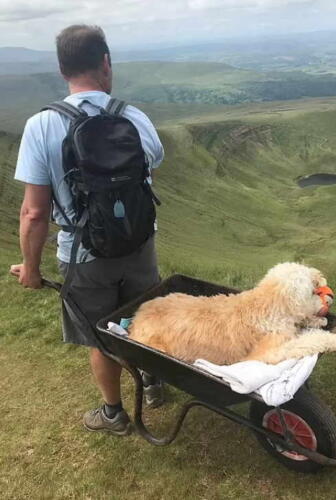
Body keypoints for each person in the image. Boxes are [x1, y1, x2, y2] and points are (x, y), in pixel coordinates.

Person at [10, 25, 164, 436]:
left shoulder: (41, 126)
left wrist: (30, 267)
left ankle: (114, 414)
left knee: (102, 336)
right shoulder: (133, 116)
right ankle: (152, 379)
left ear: (62, 70)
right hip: (139, 242)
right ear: (106, 63)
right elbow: (152, 166)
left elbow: (33, 213)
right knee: (145, 316)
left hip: (83, 255)